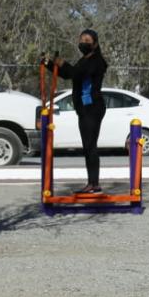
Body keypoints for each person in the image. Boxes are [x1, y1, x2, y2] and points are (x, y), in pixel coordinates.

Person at [50, 29, 108, 194]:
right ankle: (92, 183)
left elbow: (76, 73)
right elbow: (68, 74)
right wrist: (49, 63)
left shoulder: (97, 61)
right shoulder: (83, 60)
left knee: (90, 145)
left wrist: (62, 63)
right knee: (88, 146)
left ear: (95, 44)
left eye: (87, 40)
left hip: (92, 108)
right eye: (81, 39)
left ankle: (94, 183)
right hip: (83, 109)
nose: (83, 43)